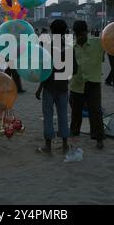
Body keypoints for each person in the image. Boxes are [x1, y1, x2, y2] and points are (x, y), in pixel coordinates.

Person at [35, 20, 71, 154]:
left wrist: (39, 88)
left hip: (49, 87)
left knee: (48, 115)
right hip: (63, 87)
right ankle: (65, 144)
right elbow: (75, 69)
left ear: (51, 30)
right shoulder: (68, 48)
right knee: (63, 115)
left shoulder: (48, 49)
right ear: (65, 31)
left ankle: (48, 146)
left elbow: (44, 71)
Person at [69, 21, 106, 150]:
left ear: (87, 32)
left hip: (93, 83)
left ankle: (99, 138)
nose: (80, 37)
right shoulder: (71, 47)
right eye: (77, 35)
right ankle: (74, 134)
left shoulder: (98, 43)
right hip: (76, 85)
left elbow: (112, 46)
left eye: (82, 34)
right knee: (76, 112)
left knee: (95, 111)